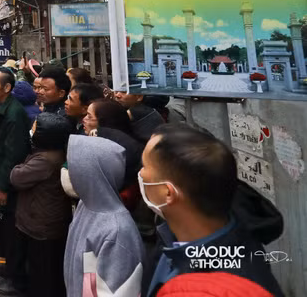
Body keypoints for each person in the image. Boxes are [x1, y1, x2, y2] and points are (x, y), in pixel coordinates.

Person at [140, 124, 284, 297]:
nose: (140, 174)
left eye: (144, 167)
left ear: (168, 192)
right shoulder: (175, 237)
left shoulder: (221, 288)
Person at [0, 112, 75, 297]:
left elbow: (17, 177)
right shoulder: (52, 153)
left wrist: (18, 166)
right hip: (39, 218)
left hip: (40, 221)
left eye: (34, 128)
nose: (31, 131)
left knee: (42, 269)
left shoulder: (44, 160)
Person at [64, 135, 145, 297]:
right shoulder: (85, 204)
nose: (68, 172)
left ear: (88, 173)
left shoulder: (117, 231)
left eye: (73, 167)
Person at [0, 68, 31, 284]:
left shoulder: (14, 113)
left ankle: (13, 273)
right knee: (0, 218)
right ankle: (5, 257)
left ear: (7, 87)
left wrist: (3, 186)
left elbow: (14, 154)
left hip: (8, 178)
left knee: (10, 223)